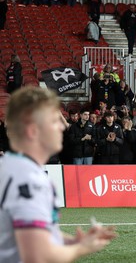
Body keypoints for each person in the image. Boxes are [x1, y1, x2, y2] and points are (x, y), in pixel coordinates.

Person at [0, 87, 116, 262]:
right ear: (33, 131)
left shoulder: (13, 167)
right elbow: (37, 255)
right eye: (54, 121)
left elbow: (32, 232)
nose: (62, 126)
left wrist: (73, 241)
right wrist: (82, 248)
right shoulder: (28, 180)